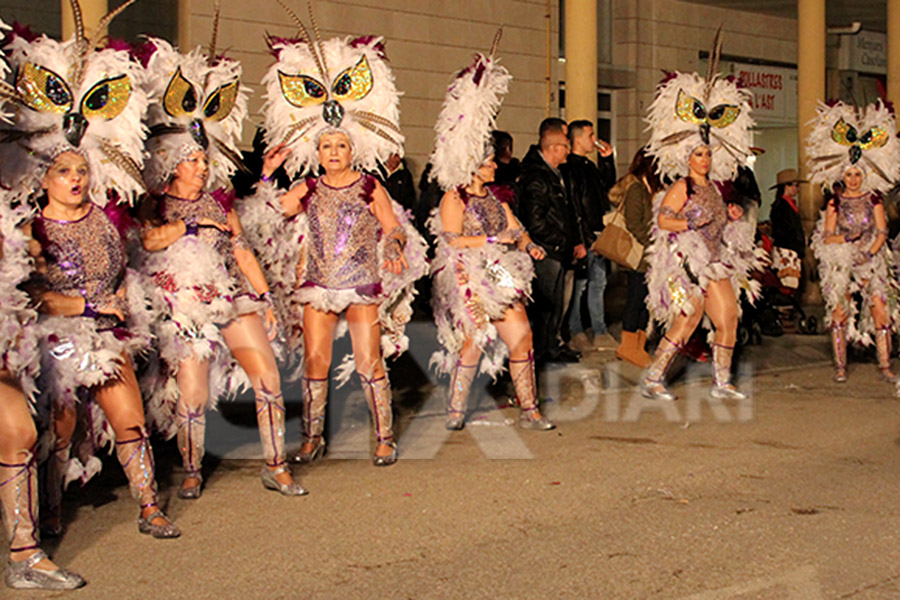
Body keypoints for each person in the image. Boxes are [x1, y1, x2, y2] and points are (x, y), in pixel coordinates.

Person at [0, 5, 180, 544]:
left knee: (129, 420)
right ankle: (50, 512)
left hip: (109, 332)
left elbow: (121, 267)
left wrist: (120, 296)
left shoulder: (107, 218)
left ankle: (150, 507)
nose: (75, 179)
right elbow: (28, 298)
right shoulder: (31, 228)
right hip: (57, 339)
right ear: (46, 178)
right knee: (59, 429)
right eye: (64, 172)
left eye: (81, 171)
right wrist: (87, 308)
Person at [242, 18, 427, 466]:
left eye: (340, 146)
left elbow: (393, 226)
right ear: (317, 153)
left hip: (362, 280)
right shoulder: (306, 187)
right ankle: (312, 438)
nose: (333, 153)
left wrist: (396, 246)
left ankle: (384, 436)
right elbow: (262, 215)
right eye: (326, 147)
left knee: (368, 362)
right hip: (318, 281)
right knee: (315, 363)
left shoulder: (369, 186)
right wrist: (266, 173)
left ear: (352, 150)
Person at [136, 35, 306, 498]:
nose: (201, 164)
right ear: (173, 166)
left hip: (232, 297)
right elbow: (149, 241)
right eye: (192, 159)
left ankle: (276, 464)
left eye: (203, 158)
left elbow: (242, 251)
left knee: (267, 377)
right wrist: (186, 229)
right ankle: (191, 469)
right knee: (192, 392)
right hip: (187, 308)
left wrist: (266, 298)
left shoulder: (219, 203)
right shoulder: (156, 204)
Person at [427, 43, 554, 431]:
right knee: (475, 340)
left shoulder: (497, 197)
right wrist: (490, 242)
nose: (493, 165)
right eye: (486, 162)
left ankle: (530, 409)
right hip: (468, 277)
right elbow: (451, 240)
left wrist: (527, 243)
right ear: (472, 166)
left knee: (523, 338)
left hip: (500, 273)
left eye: (492, 160)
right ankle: (455, 409)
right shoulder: (456, 197)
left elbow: (515, 228)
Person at [641, 41, 762, 401]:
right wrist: (690, 225)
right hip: (688, 265)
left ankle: (722, 382)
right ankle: (653, 377)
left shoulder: (715, 186)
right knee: (688, 321)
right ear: (687, 157)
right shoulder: (682, 185)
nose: (705, 159)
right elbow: (664, 221)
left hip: (716, 261)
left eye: (708, 153)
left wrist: (733, 215)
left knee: (729, 320)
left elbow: (719, 221)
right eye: (699, 153)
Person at [808, 101, 900, 383]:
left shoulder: (873, 199)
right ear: (842, 176)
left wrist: (870, 254)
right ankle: (840, 366)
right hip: (844, 259)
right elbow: (828, 235)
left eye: (858, 174)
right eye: (849, 174)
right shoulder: (835, 202)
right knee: (839, 310)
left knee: (880, 309)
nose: (854, 179)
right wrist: (847, 241)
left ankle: (884, 364)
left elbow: (882, 231)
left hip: (872, 259)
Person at [517, 118, 581, 364]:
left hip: (558, 249)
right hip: (547, 252)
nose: (568, 150)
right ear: (554, 148)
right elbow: (536, 221)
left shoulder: (554, 174)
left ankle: (551, 346)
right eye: (565, 146)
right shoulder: (538, 178)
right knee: (546, 306)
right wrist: (560, 241)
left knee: (555, 306)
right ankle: (541, 351)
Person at [562, 119, 617, 352]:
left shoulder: (589, 165)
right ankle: (576, 330)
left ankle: (600, 329)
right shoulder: (570, 167)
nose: (593, 140)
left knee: (599, 284)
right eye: (590, 135)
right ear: (576, 139)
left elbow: (607, 187)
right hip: (585, 235)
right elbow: (575, 206)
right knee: (580, 285)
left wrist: (607, 160)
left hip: (598, 231)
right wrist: (583, 238)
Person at [613, 147, 663, 367]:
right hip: (640, 255)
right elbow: (634, 223)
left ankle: (638, 346)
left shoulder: (648, 187)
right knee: (636, 298)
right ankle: (628, 345)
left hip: (649, 256)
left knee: (645, 300)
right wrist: (652, 243)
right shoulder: (636, 187)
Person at [769, 169, 807, 292]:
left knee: (792, 284)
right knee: (788, 284)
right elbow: (784, 230)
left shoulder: (788, 205)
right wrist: (796, 244)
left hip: (791, 250)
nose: (798, 189)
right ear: (787, 186)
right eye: (796, 186)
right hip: (786, 250)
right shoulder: (780, 206)